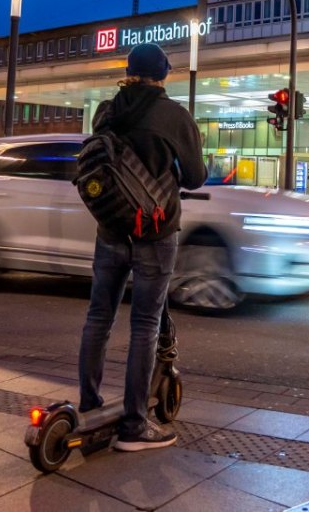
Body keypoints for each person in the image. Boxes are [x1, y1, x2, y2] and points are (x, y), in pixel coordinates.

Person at [78, 43, 206, 451]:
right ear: (164, 74)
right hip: (155, 231)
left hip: (111, 228)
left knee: (99, 316)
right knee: (145, 326)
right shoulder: (174, 116)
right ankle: (134, 424)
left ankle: (88, 404)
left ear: (129, 71)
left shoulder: (106, 111)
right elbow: (196, 177)